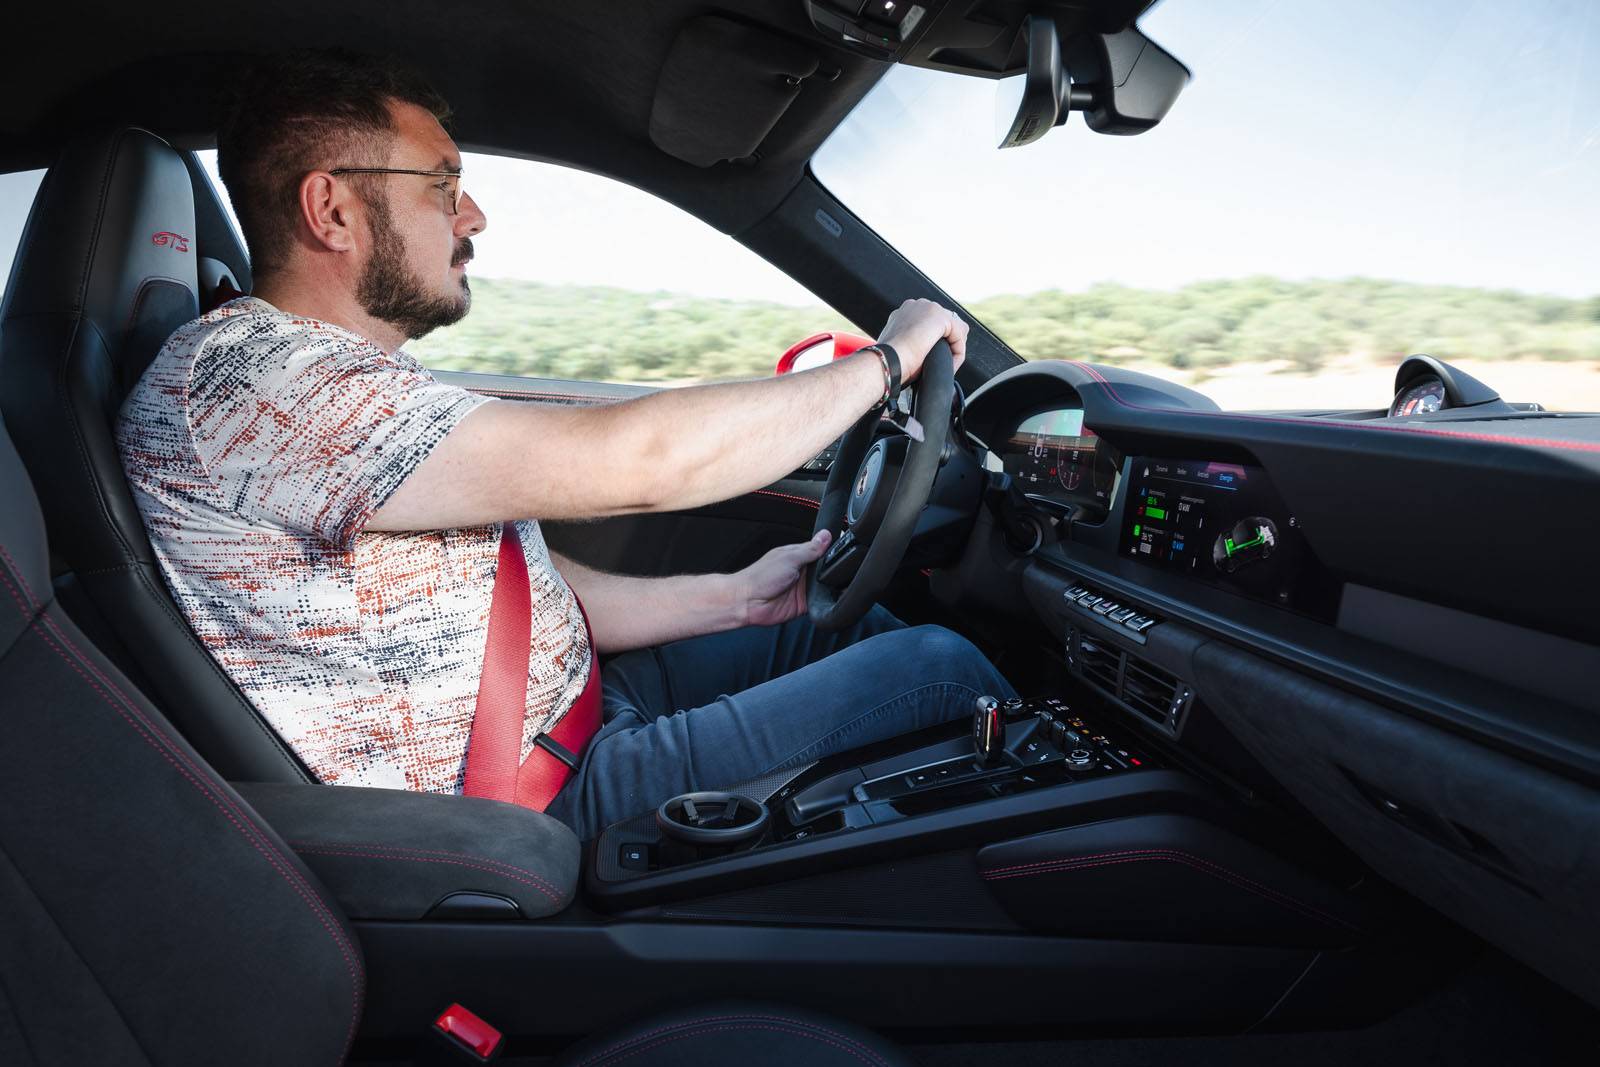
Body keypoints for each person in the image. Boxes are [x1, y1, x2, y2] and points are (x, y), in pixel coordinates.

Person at [116, 51, 1014, 839]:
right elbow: (644, 463)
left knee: (860, 633)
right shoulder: (256, 381)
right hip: (530, 806)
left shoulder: (327, 378)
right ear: (333, 210)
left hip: (573, 716)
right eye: (441, 183)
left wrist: (733, 600)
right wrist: (887, 362)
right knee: (939, 670)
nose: (471, 215)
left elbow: (507, 573)